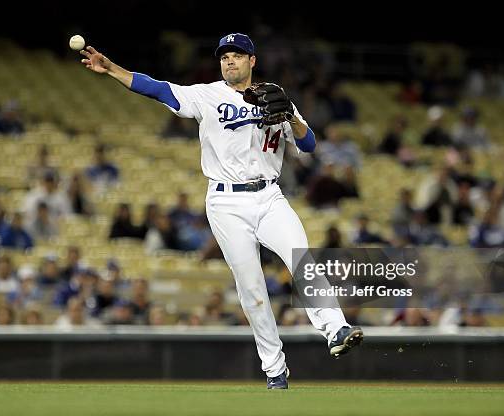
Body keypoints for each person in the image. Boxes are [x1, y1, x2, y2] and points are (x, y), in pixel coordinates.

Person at [80, 33, 361, 389]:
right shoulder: (207, 95)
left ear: (252, 61)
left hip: (270, 196)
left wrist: (291, 114)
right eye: (224, 56)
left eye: (237, 55)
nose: (230, 61)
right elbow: (157, 89)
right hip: (226, 202)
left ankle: (336, 330)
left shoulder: (274, 95)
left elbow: (308, 144)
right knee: (252, 287)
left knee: (301, 258)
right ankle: (275, 369)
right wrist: (113, 70)